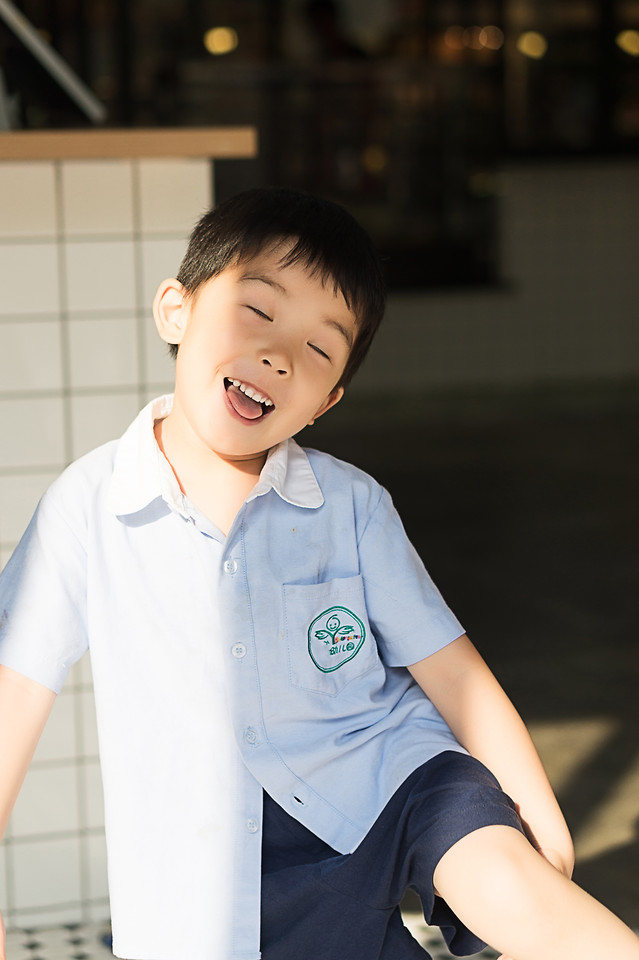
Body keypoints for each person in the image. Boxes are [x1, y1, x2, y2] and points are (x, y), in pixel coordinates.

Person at [0, 187, 637, 960]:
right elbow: (12, 696)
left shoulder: (351, 506)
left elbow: (451, 670)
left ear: (324, 402)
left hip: (390, 780)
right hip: (212, 875)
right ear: (176, 310)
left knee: (506, 875)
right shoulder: (89, 507)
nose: (278, 355)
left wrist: (542, 829)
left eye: (319, 349)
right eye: (258, 312)